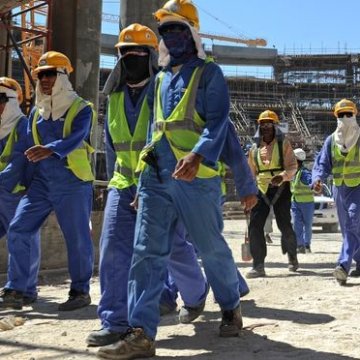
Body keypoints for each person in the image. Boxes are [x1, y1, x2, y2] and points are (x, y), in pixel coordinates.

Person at [97, 1, 255, 358]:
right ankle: (141, 333)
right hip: (156, 177)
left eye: (177, 29)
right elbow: (156, 133)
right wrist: (142, 177)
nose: (171, 36)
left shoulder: (209, 74)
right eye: (165, 31)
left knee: (211, 248)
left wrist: (198, 155)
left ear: (193, 33)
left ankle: (230, 305)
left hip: (197, 179)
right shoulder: (161, 79)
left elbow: (218, 124)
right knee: (146, 253)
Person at [86, 23, 211, 347]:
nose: (132, 58)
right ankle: (114, 322)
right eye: (126, 53)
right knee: (113, 249)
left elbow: (167, 143)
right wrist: (114, 184)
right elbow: (114, 147)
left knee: (171, 249)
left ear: (152, 56)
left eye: (139, 53)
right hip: (123, 181)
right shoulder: (113, 97)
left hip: (158, 183)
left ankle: (196, 292)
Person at [0, 51, 95, 310]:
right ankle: (18, 290)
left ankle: (80, 291)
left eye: (50, 74)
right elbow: (25, 148)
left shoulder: (81, 108)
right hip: (41, 183)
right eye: (41, 74)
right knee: (19, 228)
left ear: (63, 77)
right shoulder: (35, 115)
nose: (44, 79)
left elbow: (78, 136)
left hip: (72, 181)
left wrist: (51, 149)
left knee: (76, 237)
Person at [0, 77, 40, 308]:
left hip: (15, 191)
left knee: (22, 238)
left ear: (12, 101)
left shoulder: (22, 125)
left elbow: (18, 160)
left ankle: (25, 288)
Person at [313, 98, 360, 285]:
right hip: (339, 189)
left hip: (358, 187)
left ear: (355, 115)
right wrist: (317, 179)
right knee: (348, 227)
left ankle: (343, 266)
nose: (346, 117)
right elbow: (322, 164)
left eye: (349, 114)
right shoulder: (331, 141)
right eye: (342, 115)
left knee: (353, 220)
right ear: (337, 118)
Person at [247, 110, 299, 278]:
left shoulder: (283, 144)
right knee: (255, 226)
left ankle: (292, 256)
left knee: (284, 225)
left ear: (275, 127)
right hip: (260, 190)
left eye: (270, 124)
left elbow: (292, 166)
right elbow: (250, 172)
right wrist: (247, 193)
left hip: (281, 188)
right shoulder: (254, 149)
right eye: (263, 124)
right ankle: (258, 264)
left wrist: (282, 177)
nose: (266, 127)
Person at [291, 148, 314, 253]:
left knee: (307, 225)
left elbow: (311, 181)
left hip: (307, 203)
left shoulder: (305, 173)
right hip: (295, 202)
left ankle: (306, 244)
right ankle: (299, 245)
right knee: (296, 224)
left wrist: (314, 185)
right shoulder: (294, 173)